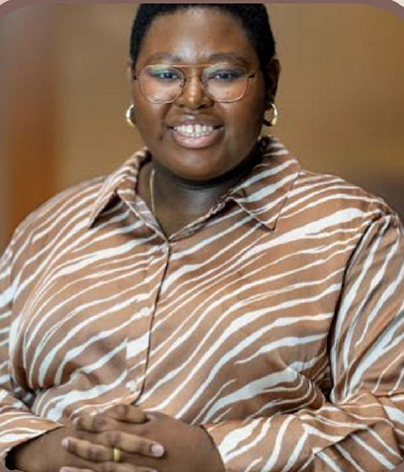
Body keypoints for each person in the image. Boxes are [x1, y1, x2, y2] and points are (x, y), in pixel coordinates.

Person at [1, 4, 404, 472]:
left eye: (224, 74)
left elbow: (394, 417)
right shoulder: (51, 226)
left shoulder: (351, 228)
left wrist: (216, 456)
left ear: (269, 82)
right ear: (135, 80)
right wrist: (39, 448)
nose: (192, 98)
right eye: (166, 73)